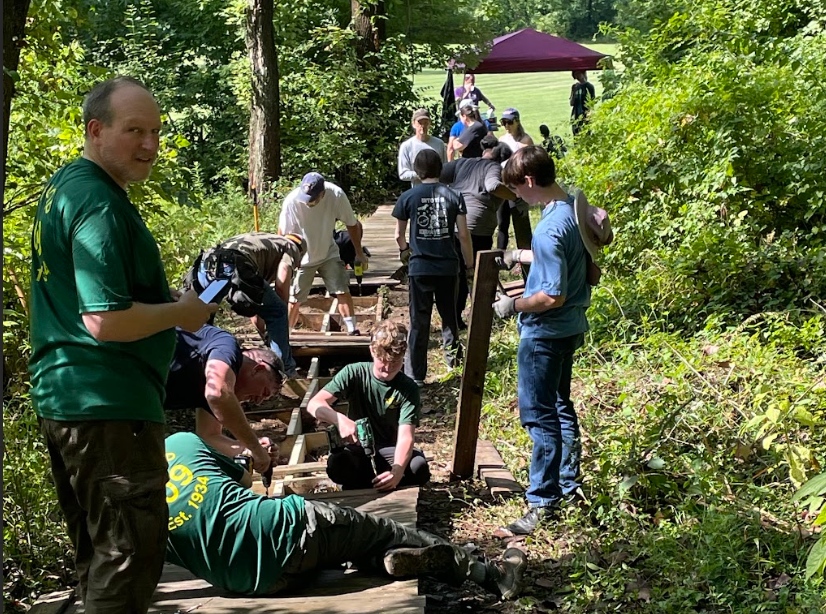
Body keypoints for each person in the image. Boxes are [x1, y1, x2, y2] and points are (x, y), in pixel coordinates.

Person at [28, 76, 218, 613]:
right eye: (134, 130)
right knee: (129, 557)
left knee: (100, 554)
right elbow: (104, 320)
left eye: (155, 131)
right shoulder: (99, 204)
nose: (150, 145)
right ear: (95, 130)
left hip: (69, 401)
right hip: (107, 404)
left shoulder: (65, 188)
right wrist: (185, 313)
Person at [164, 431, 527, 599]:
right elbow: (247, 479)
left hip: (256, 584)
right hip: (291, 529)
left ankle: (384, 561)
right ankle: (491, 574)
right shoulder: (182, 443)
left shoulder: (130, 510)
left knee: (341, 551)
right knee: (381, 530)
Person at [492, 146, 591, 535]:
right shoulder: (570, 211)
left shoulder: (549, 229)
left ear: (530, 181)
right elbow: (568, 259)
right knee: (561, 406)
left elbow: (551, 295)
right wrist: (520, 255)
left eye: (518, 190)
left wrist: (513, 305)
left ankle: (542, 502)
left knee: (538, 415)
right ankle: (570, 486)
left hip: (545, 333)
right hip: (571, 328)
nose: (517, 198)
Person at [306, 320, 429, 490]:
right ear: (372, 351)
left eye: (395, 362)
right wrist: (339, 419)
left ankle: (386, 482)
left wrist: (398, 470)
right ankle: (363, 484)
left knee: (418, 467)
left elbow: (406, 435)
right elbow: (314, 404)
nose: (387, 368)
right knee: (337, 464)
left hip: (390, 451)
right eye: (383, 361)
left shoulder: (408, 388)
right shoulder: (354, 373)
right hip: (358, 450)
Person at [393, 149, 473, 383]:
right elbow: (464, 235)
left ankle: (415, 375)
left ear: (416, 172)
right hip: (448, 268)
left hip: (420, 268)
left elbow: (398, 234)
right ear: (441, 169)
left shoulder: (408, 197)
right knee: (450, 318)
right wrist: (469, 265)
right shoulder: (454, 196)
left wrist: (405, 252)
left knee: (419, 322)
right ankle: (454, 365)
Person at [164, 324, 284, 474]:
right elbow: (218, 394)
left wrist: (247, 448)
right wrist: (255, 447)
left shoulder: (216, 384)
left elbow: (210, 436)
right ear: (258, 369)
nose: (258, 401)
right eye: (264, 392)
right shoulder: (226, 345)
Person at [185, 232, 307, 379]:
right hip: (233, 267)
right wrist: (281, 310)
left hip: (209, 267)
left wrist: (267, 337)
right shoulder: (291, 247)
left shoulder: (265, 243)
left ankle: (195, 365)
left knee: (202, 313)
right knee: (278, 310)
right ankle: (285, 371)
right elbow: (283, 279)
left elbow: (255, 306)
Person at [279, 172, 369, 335]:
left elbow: (352, 224)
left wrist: (359, 253)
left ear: (322, 194)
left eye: (312, 199)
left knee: (342, 289)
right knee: (295, 298)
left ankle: (352, 329)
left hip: (328, 252)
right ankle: (286, 333)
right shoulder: (292, 202)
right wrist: (287, 260)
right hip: (303, 257)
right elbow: (283, 234)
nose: (308, 202)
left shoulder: (336, 194)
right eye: (306, 198)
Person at [441, 140, 516, 326]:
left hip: (453, 224)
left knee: (457, 274)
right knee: (478, 274)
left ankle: (455, 319)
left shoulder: (463, 162)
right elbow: (492, 186)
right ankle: (481, 317)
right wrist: (516, 195)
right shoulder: (493, 167)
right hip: (478, 227)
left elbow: (437, 173)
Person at [496, 108, 535, 265]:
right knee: (502, 223)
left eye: (509, 122)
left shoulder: (525, 141)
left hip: (519, 189)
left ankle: (526, 262)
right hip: (504, 186)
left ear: (517, 121)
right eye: (503, 122)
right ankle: (499, 260)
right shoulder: (501, 140)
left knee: (522, 228)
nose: (506, 126)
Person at [398, 108, 447, 186]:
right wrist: (422, 174)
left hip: (437, 191)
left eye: (425, 123)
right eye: (420, 123)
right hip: (417, 192)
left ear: (429, 124)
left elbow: (445, 168)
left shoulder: (439, 144)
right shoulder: (407, 146)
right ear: (413, 124)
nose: (423, 126)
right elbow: (403, 174)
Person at [570, 71, 596, 136]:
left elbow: (592, 103)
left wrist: (590, 116)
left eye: (578, 75)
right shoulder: (575, 87)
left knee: (586, 134)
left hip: (585, 115)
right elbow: (571, 103)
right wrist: (573, 92)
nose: (577, 78)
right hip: (576, 115)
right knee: (576, 135)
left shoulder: (589, 87)